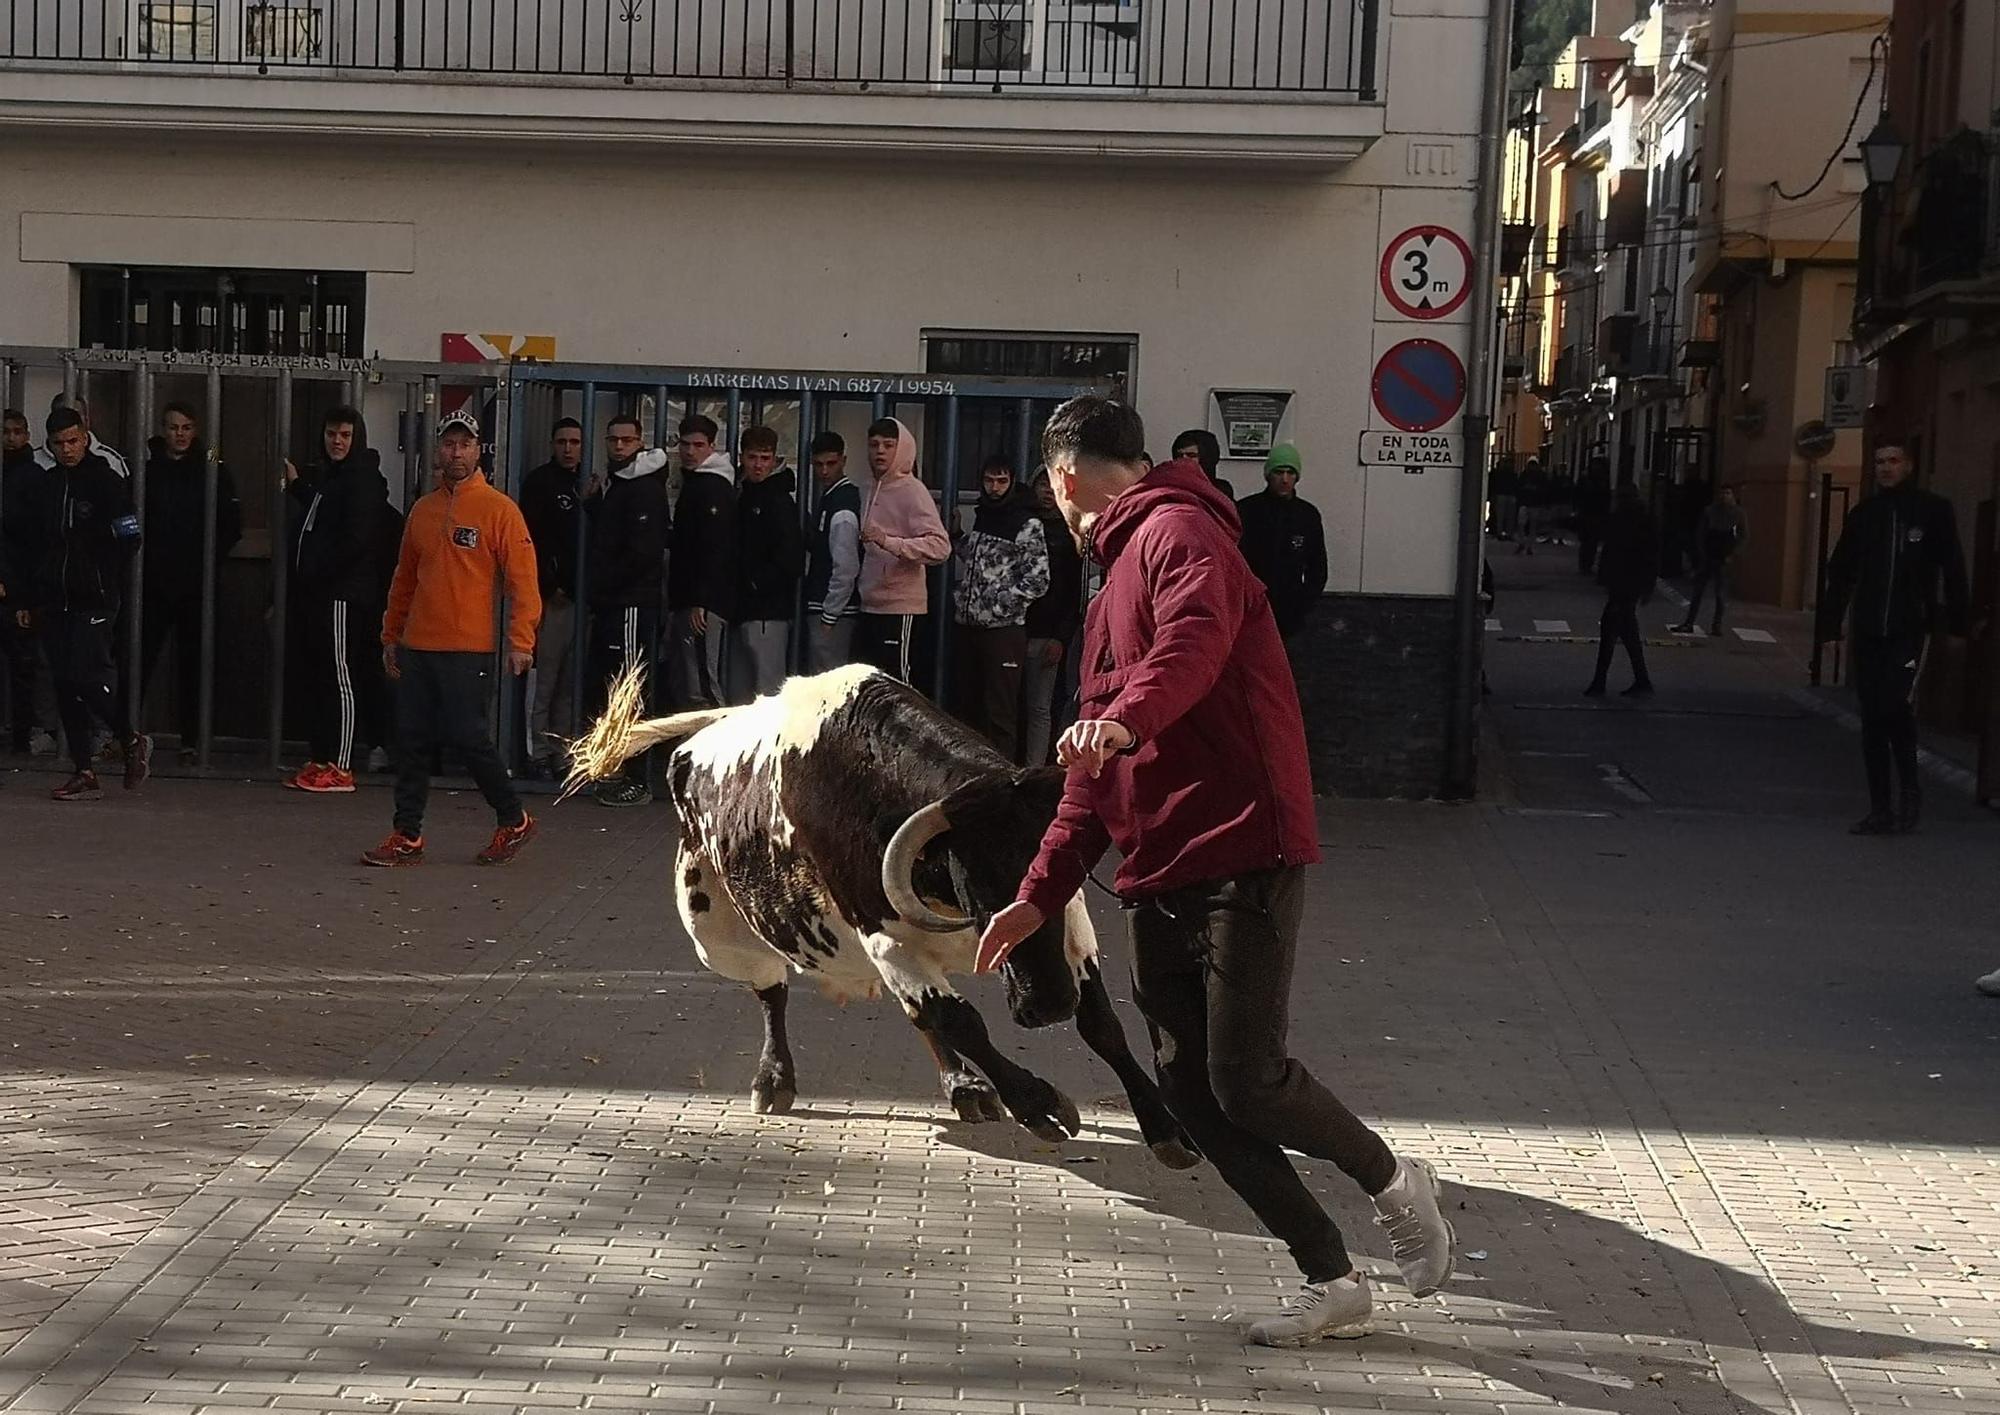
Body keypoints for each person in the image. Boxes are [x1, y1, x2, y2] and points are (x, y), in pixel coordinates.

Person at [976, 397, 1454, 1348]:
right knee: (1190, 1092)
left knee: (1249, 1079)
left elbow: (1191, 645)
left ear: (1062, 477)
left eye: (1051, 489)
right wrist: (1036, 895)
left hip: (1244, 844)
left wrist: (1127, 719)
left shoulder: (1180, 531)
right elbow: (1088, 770)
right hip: (1159, 868)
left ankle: (1394, 1179)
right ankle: (1332, 1277)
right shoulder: (1111, 571)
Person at [365, 410, 541, 867]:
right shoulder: (423, 510)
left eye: (464, 445)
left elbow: (523, 581)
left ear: (478, 450)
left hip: (469, 649)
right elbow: (404, 579)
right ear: (438, 450)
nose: (455, 453)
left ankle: (513, 818)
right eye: (448, 444)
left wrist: (521, 640)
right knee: (411, 741)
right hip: (417, 646)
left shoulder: (500, 510)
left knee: (469, 738)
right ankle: (407, 835)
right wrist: (391, 634)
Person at [1817, 442, 1970, 835]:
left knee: (1893, 706)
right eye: (1880, 462)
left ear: (1909, 465)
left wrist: (1957, 624)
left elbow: (1952, 567)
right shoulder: (1866, 514)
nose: (1886, 468)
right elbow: (1841, 571)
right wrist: (1832, 627)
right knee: (1871, 717)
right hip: (1869, 628)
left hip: (1909, 628)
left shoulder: (1932, 511)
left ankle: (1911, 789)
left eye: (1894, 461)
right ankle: (1880, 806)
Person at [18, 409, 149, 800]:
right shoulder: (48, 485)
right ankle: (84, 769)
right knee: (63, 683)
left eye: (73, 441)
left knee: (84, 674)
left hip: (95, 596)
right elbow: (34, 546)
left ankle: (128, 737)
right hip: (55, 597)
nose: (67, 450)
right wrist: (29, 596)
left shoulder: (105, 480)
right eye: (59, 444)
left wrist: (101, 571)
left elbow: (130, 535)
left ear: (85, 436)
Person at [282, 405, 393, 793]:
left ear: (357, 437)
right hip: (322, 594)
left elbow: (354, 539)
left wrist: (320, 573)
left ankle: (342, 765)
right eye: (332, 434)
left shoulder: (361, 480)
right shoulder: (333, 479)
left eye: (345, 435)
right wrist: (298, 487)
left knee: (341, 676)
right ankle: (322, 758)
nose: (337, 442)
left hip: (342, 595)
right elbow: (325, 516)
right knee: (322, 676)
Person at [138, 402, 243, 763]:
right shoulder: (147, 469)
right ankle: (127, 736)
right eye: (172, 427)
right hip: (152, 582)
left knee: (195, 663)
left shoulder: (213, 470)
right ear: (162, 429)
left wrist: (208, 558)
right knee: (138, 658)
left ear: (195, 430)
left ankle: (193, 740)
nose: (179, 434)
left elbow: (232, 522)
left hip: (197, 583)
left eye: (185, 427)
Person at [586, 414, 672, 807]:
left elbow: (641, 552)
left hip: (631, 603)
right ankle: (621, 769)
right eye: (613, 439)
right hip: (618, 601)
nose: (619, 446)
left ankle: (637, 778)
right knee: (616, 686)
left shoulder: (643, 489)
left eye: (627, 440)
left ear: (639, 442)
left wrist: (604, 585)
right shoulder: (618, 484)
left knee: (630, 687)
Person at [950, 455, 1049, 761]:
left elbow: (1039, 578)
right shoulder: (984, 515)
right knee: (968, 708)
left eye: (1001, 481)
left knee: (1000, 713)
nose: (994, 488)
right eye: (989, 480)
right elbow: (984, 561)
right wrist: (956, 537)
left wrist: (998, 603)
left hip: (1003, 631)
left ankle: (1003, 780)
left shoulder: (1026, 522)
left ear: (1012, 481)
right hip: (969, 627)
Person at [856, 418, 949, 685]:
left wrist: (889, 541)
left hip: (901, 606)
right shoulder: (867, 488)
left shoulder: (913, 490)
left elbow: (940, 547)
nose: (880, 452)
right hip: (869, 604)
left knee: (898, 683)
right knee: (870, 685)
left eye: (888, 445)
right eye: (874, 445)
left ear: (903, 449)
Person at [518, 418, 587, 773]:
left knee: (569, 684)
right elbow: (531, 542)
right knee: (544, 679)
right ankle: (537, 753)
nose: (568, 448)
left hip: (584, 598)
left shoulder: (590, 484)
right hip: (552, 598)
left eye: (575, 442)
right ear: (551, 444)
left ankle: (561, 751)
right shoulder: (540, 483)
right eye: (562, 441)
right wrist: (550, 584)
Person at [665, 414, 736, 710]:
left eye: (698, 445)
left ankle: (715, 749)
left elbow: (714, 547)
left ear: (712, 447)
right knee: (693, 680)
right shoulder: (701, 483)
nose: (690, 451)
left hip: (701, 602)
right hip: (691, 598)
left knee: (701, 683)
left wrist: (701, 601)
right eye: (685, 444)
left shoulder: (711, 486)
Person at [731, 425, 805, 702]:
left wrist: (755, 582)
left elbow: (791, 558)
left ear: (774, 459)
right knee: (744, 692)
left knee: (767, 691)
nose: (758, 465)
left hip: (767, 611)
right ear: (742, 458)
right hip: (746, 609)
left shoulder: (778, 501)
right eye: (753, 457)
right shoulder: (744, 495)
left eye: (764, 458)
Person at [1236, 444, 1328, 640]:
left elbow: (1318, 566)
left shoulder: (1307, 515)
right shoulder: (1247, 511)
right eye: (1279, 472)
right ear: (1269, 475)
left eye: (1290, 473)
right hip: (1249, 609)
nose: (1285, 479)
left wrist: (1303, 603)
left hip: (1290, 613)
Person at [1021, 469, 1082, 767]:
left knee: (1040, 706)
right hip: (1014, 627)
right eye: (1040, 483)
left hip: (1048, 630)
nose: (1046, 490)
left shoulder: (1069, 533)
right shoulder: (1019, 522)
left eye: (1051, 484)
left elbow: (1072, 591)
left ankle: (1035, 768)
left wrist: (1061, 636)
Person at [1, 408, 49, 754]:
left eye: (18, 431)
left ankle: (21, 735)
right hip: (11, 582)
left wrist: (26, 596)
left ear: (28, 435)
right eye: (6, 432)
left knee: (22, 666)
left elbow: (36, 542)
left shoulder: (34, 478)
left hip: (17, 587)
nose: (12, 438)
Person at [1583, 482, 1659, 698]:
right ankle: (1639, 679)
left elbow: (1616, 549)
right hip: (1629, 583)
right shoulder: (1641, 518)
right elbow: (1652, 554)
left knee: (1611, 630)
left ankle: (1601, 681)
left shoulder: (1625, 519)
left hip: (1623, 583)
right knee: (1626, 632)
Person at [803, 431, 862, 672]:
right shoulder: (833, 498)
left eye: (831, 463)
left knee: (827, 680)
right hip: (832, 607)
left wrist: (830, 613)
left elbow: (846, 567)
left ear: (843, 461)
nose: (824, 471)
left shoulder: (841, 506)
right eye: (818, 465)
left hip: (833, 611)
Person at [1673, 485, 1747, 636]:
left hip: (1724, 556)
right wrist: (1702, 552)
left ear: (1732, 495)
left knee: (1720, 593)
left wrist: (1733, 554)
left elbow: (1744, 535)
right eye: (1722, 493)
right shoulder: (1710, 511)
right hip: (1709, 555)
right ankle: (1689, 622)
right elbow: (1700, 533)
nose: (1724, 496)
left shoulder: (1738, 513)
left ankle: (1716, 625)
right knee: (1698, 591)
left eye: (1727, 493)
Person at [36, 395, 131, 480]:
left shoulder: (111, 460)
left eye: (73, 441)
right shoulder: (34, 461)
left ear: (86, 420)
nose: (66, 449)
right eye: (62, 416)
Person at [1171, 428, 1234, 499]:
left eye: (1191, 455)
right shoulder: (1169, 487)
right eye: (1179, 455)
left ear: (1206, 458)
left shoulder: (1221, 490)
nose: (1183, 460)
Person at [1574, 459, 1610, 576]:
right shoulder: (1596, 479)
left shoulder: (1599, 479)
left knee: (1590, 541)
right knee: (1589, 541)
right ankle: (1585, 565)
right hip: (1589, 513)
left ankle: (1586, 564)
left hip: (1594, 513)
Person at [1514, 458, 1546, 554]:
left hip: (1530, 503)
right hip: (1530, 503)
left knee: (1525, 525)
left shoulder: (1526, 475)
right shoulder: (1538, 476)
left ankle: (1525, 544)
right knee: (1528, 525)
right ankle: (1526, 545)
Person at [1488, 458, 1519, 543]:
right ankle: (1506, 533)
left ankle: (1501, 533)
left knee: (1502, 515)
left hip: (1502, 494)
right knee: (1507, 516)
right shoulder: (1512, 474)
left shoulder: (1498, 474)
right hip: (1506, 495)